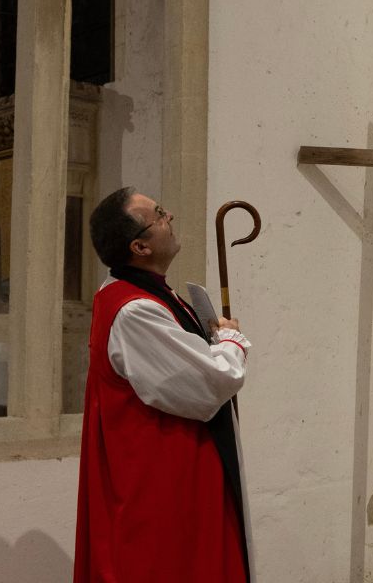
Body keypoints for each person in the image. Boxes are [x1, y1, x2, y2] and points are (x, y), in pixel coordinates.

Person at [74, 187, 253, 582]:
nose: (169, 214)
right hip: (163, 483)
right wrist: (231, 341)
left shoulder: (135, 293)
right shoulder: (135, 310)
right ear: (139, 246)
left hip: (174, 473)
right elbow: (213, 382)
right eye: (158, 214)